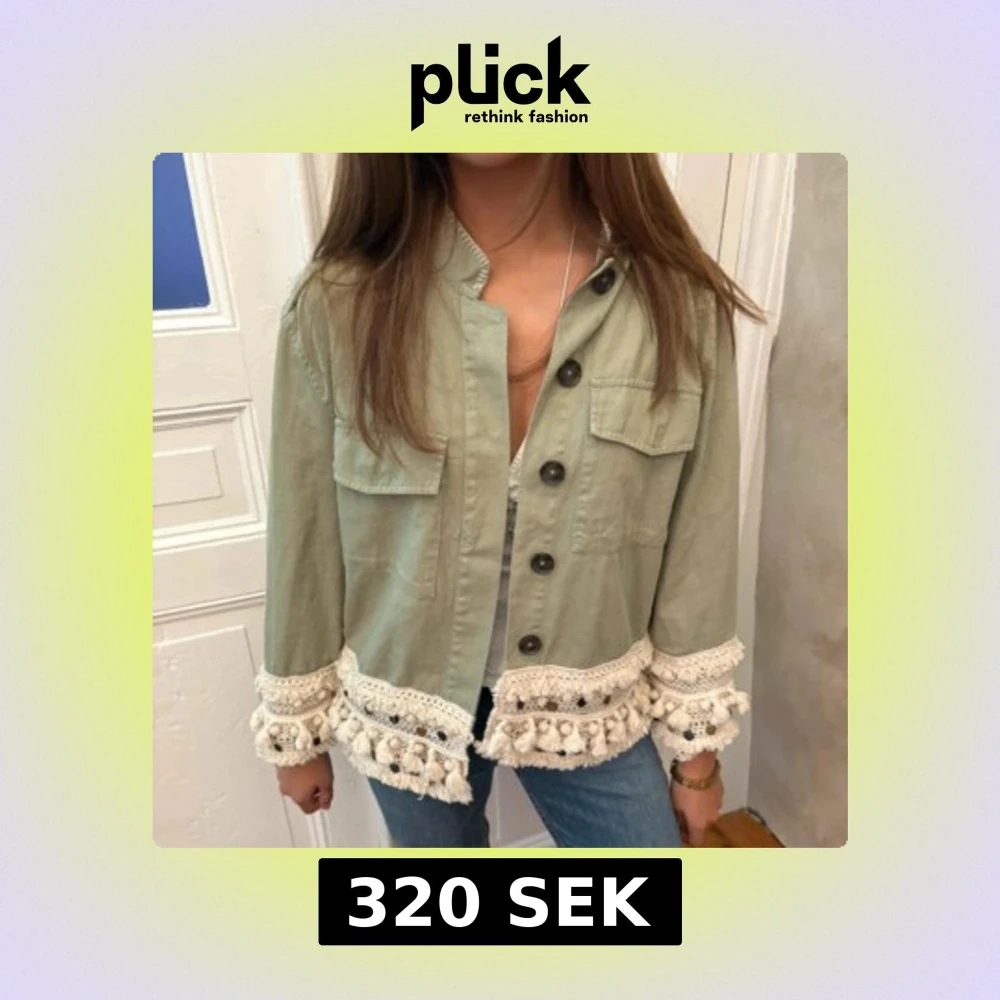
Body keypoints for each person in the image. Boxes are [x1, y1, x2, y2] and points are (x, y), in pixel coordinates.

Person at [249, 153, 764, 848]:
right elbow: (305, 535)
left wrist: (697, 757)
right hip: (408, 701)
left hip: (590, 695)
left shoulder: (679, 305)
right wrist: (296, 733)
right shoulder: (338, 305)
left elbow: (700, 542)